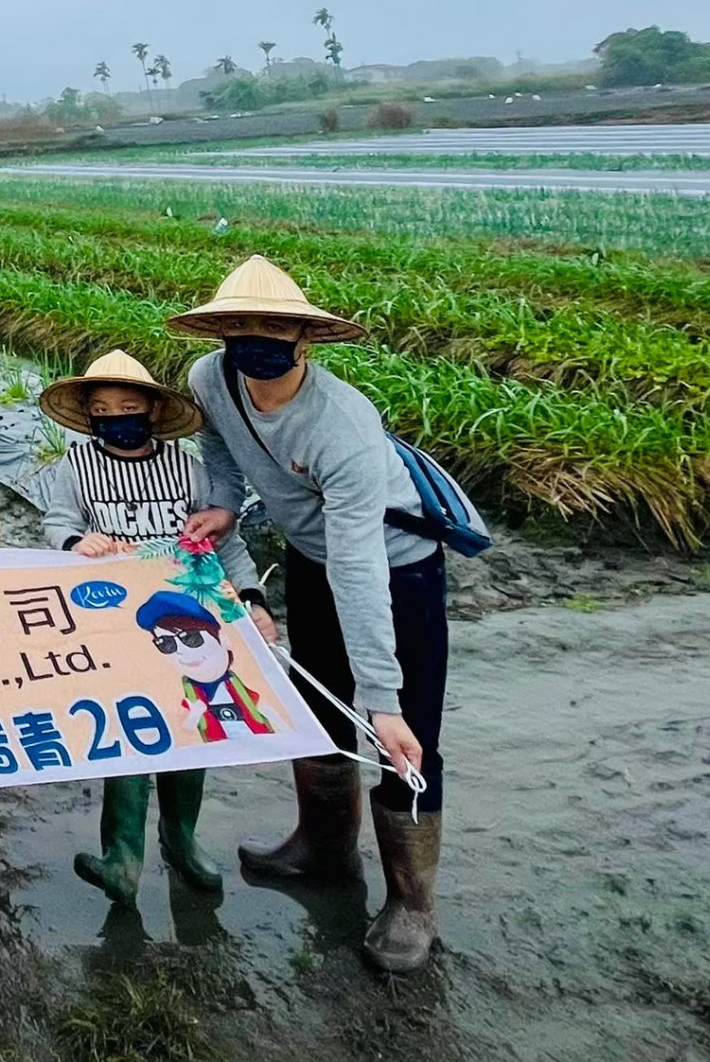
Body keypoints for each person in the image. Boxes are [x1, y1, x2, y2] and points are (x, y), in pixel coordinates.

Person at [172, 255, 447, 974]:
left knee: (402, 731)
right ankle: (323, 848)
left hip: (395, 563)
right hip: (309, 554)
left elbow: (360, 566)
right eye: (239, 326)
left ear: (305, 339)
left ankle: (412, 901)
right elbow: (218, 452)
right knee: (316, 706)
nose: (254, 339)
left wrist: (381, 700)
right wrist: (225, 506)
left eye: (273, 327)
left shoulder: (342, 423)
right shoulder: (210, 379)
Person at [35, 349, 262, 903]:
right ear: (88, 415)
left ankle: (181, 838)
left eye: (129, 406)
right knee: (131, 728)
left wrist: (253, 599)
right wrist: (74, 543)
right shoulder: (76, 465)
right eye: (103, 408)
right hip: (112, 620)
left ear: (154, 412)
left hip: (190, 615)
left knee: (196, 724)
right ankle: (122, 855)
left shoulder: (187, 467)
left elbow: (222, 541)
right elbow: (57, 522)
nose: (117, 417)